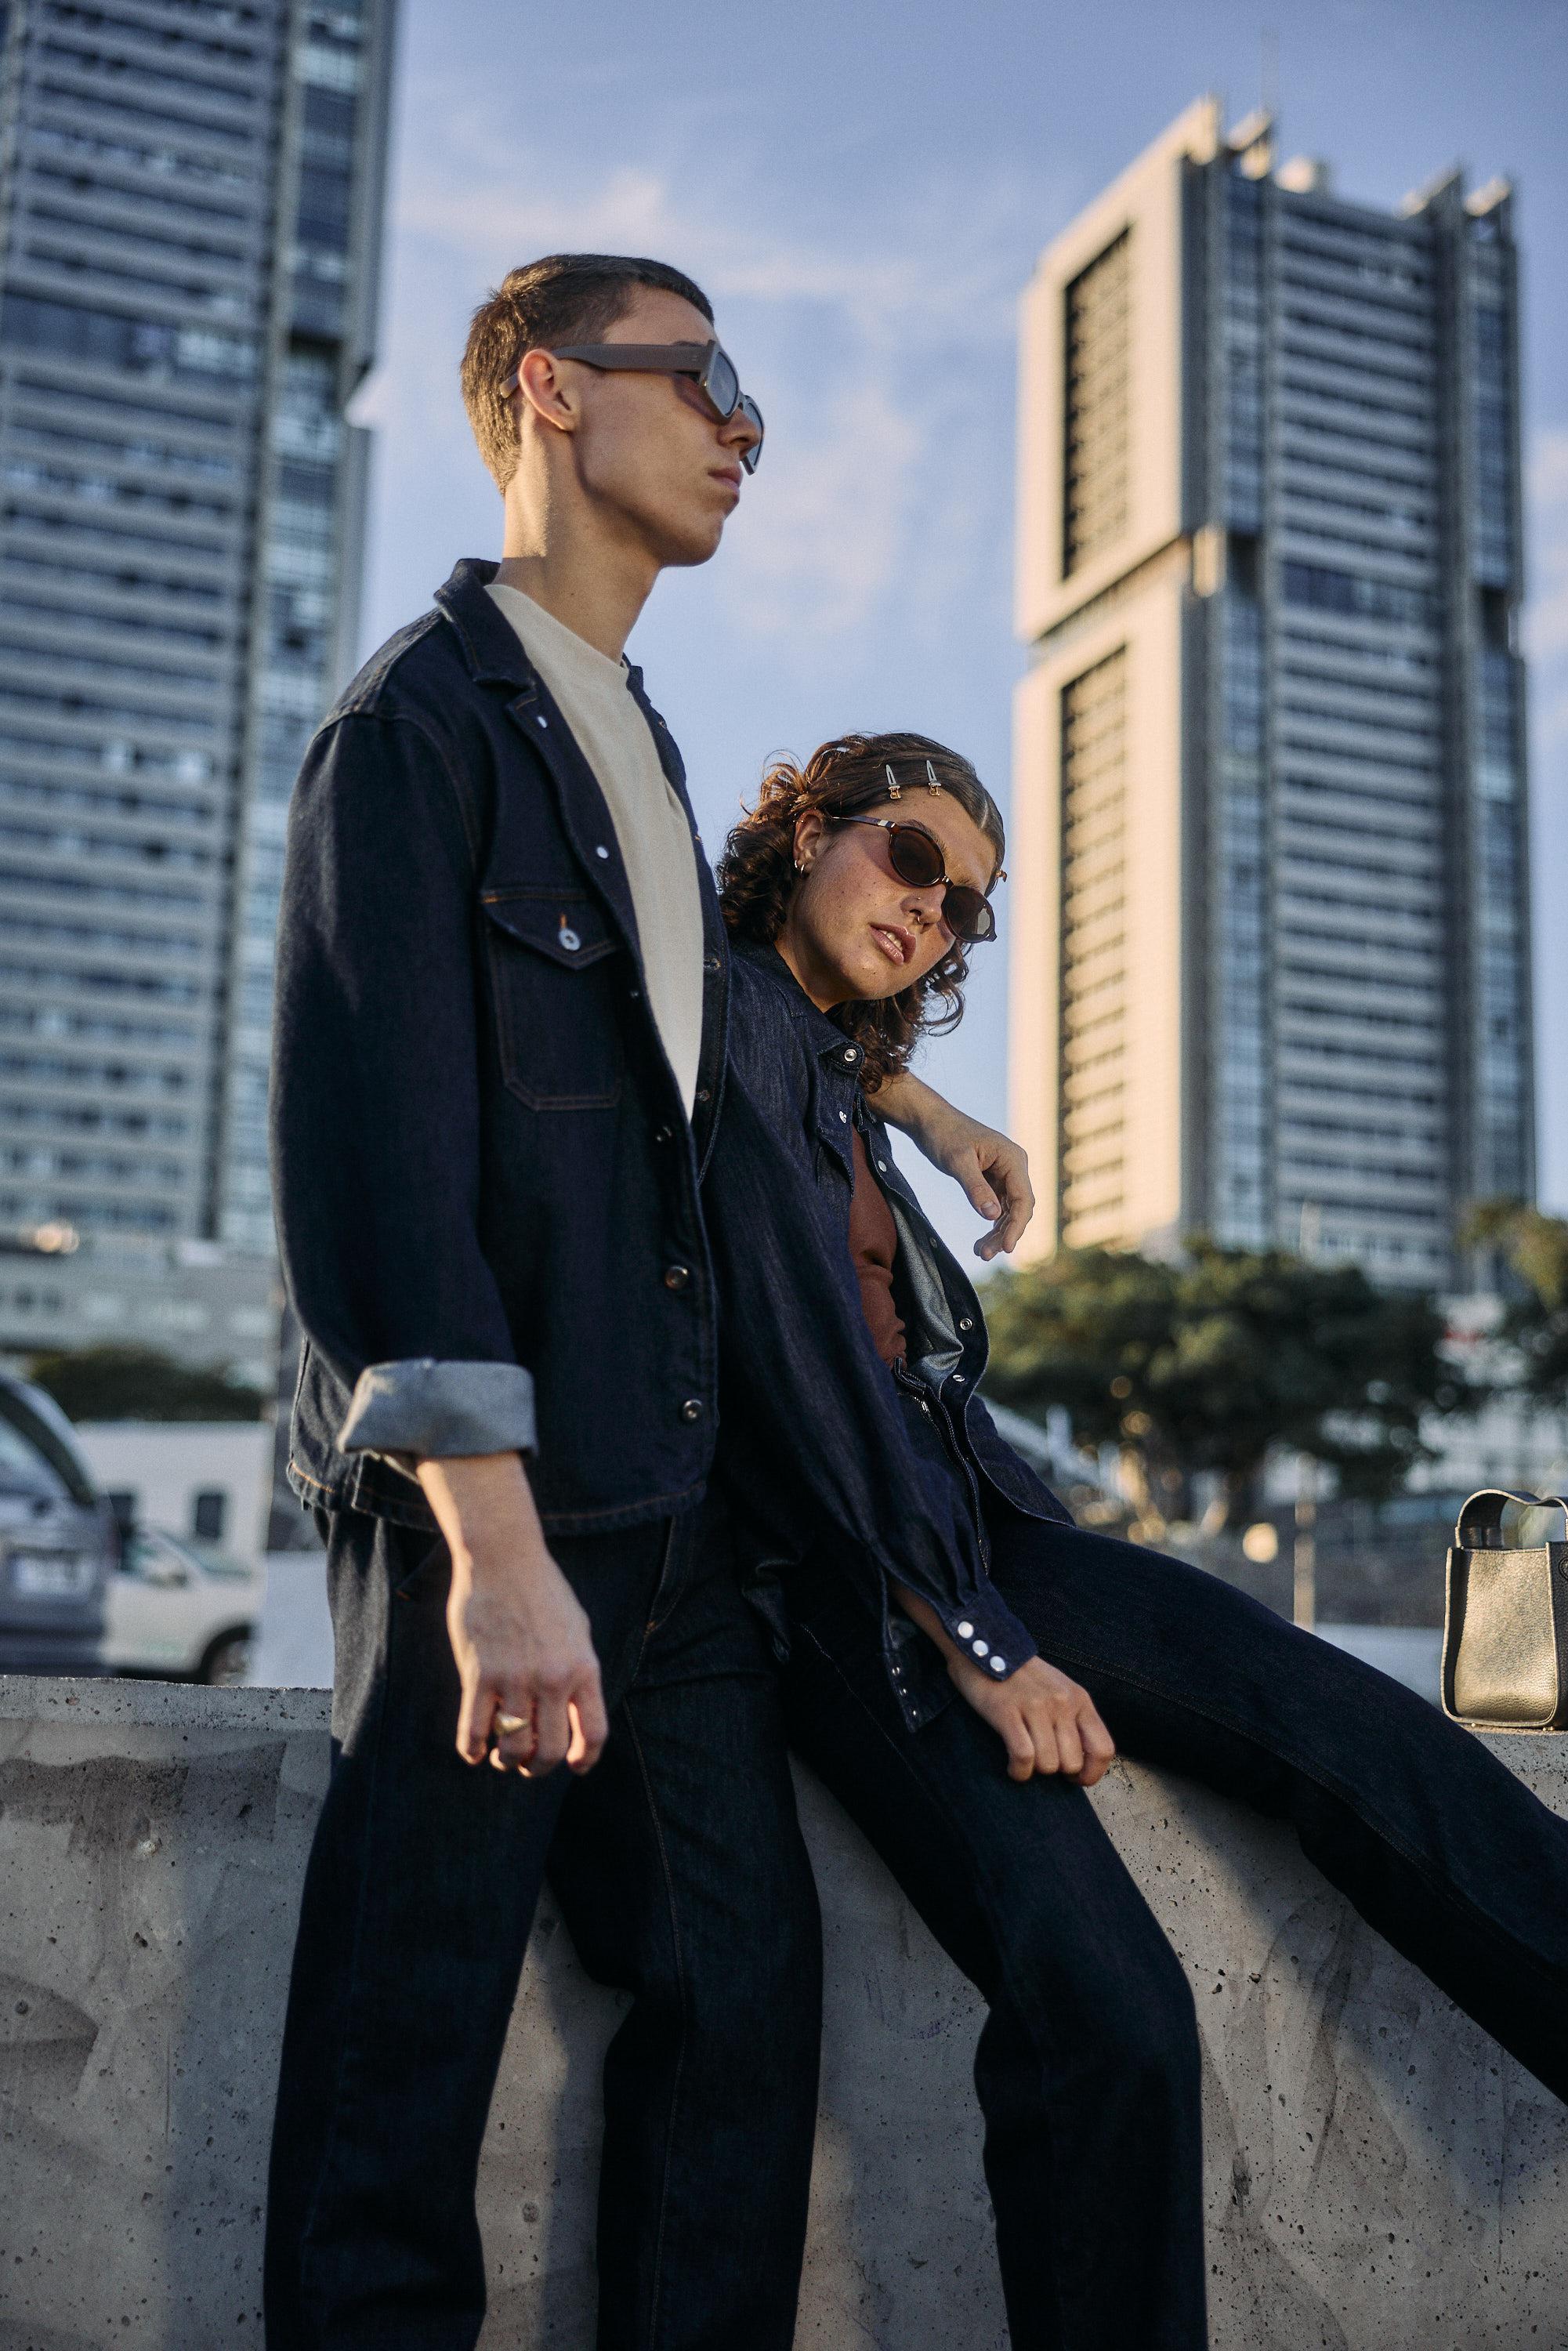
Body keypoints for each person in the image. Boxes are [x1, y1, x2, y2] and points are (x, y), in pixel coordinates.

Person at [263, 259, 1034, 2350]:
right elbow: (381, 1161)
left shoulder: (649, 750)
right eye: (700, 378)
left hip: (679, 1521)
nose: (743, 426)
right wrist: (490, 1550)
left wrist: (929, 1109)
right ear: (548, 390)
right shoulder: (417, 725)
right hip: (495, 1529)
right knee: (399, 2061)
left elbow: (731, 1059)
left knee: (737, 2017)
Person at [703, 726, 1568, 2351]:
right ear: (807, 823)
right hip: (853, 1583)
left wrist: (938, 1114)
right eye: (906, 859)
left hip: (978, 1513)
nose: (932, 915)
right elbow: (791, 1371)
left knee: (1341, 1721)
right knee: (1112, 2018)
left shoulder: (812, 1052)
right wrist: (971, 1638)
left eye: (962, 905)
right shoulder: (707, 1016)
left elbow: (825, 1045)